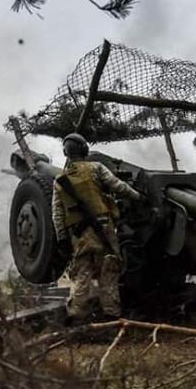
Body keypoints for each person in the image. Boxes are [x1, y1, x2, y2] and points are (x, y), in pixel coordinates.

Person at [51, 133, 143, 323]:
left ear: (66, 152)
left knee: (81, 272)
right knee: (108, 269)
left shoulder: (59, 180)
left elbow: (57, 214)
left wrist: (62, 239)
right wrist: (138, 197)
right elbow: (118, 186)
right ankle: (111, 315)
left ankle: (76, 315)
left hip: (78, 234)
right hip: (103, 228)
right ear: (84, 150)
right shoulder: (96, 168)